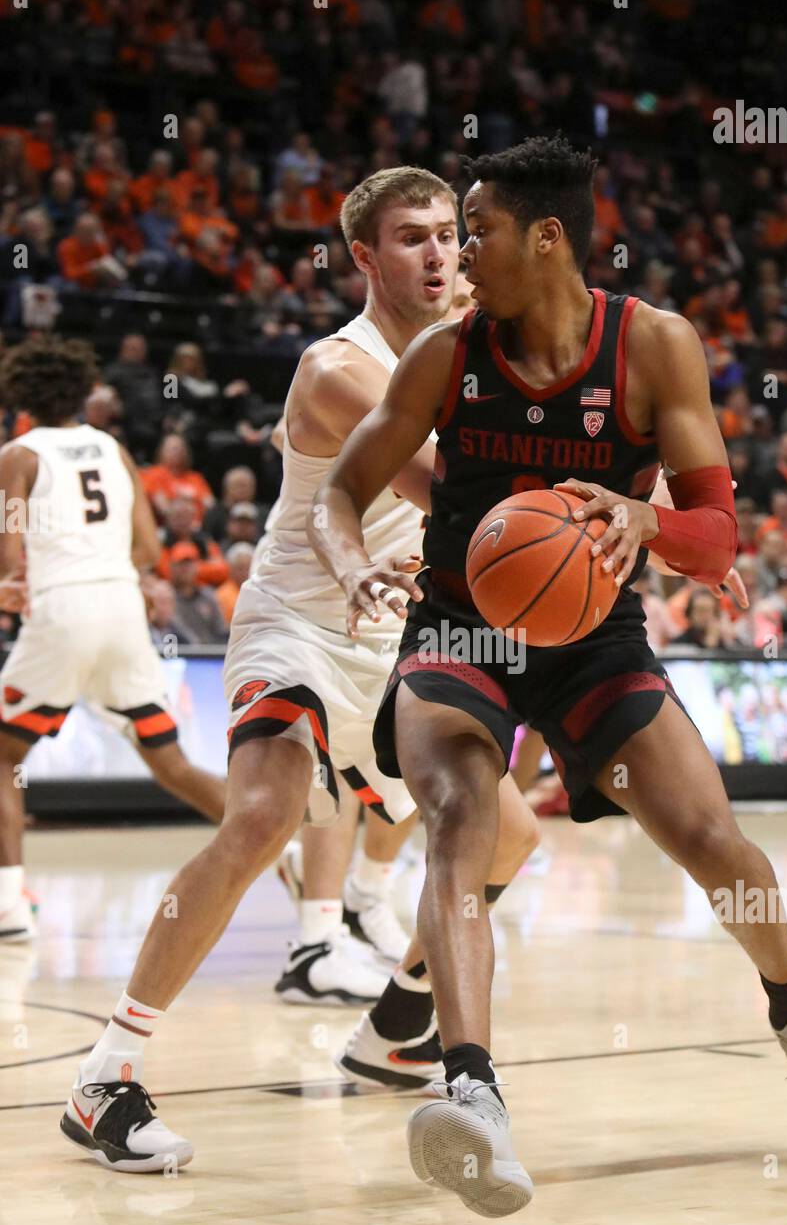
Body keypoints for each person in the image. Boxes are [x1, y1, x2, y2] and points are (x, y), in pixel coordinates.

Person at [312, 135, 787, 1219]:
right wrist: (351, 565)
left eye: (475, 230)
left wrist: (642, 517)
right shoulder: (444, 354)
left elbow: (717, 538)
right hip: (457, 628)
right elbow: (340, 492)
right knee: (454, 812)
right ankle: (471, 1089)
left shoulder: (652, 345)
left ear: (547, 237)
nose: (461, 255)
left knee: (709, 838)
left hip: (591, 638)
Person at [59, 167, 537, 1172]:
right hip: (301, 622)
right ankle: (106, 1073)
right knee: (264, 811)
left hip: (394, 638)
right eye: (412, 237)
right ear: (363, 257)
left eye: (450, 232)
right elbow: (446, 489)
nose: (440, 253)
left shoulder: (477, 357)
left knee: (509, 831)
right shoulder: (338, 368)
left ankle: (396, 1023)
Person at [0, 337, 227, 943]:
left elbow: (9, 547)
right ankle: (277, 847)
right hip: (122, 608)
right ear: (82, 393)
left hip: (62, 611)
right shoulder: (114, 449)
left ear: (18, 396)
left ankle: (7, 906)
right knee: (171, 762)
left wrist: (11, 583)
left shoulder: (17, 456)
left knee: (3, 758)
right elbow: (152, 551)